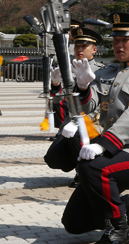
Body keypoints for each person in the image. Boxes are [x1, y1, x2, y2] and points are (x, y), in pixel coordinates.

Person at [61, 13, 129, 244]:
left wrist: (103, 144)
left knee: (91, 167)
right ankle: (127, 206)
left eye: (125, 40)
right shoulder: (106, 72)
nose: (119, 45)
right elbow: (89, 108)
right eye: (115, 40)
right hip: (111, 152)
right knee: (73, 224)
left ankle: (119, 229)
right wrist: (83, 88)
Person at [44, 26, 104, 187]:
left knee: (78, 133)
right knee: (52, 158)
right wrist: (55, 84)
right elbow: (57, 102)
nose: (80, 49)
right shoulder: (69, 70)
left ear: (94, 49)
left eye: (84, 46)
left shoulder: (102, 72)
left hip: (95, 122)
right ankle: (84, 163)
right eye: (77, 45)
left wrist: (79, 121)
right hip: (72, 122)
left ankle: (84, 171)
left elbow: (102, 104)